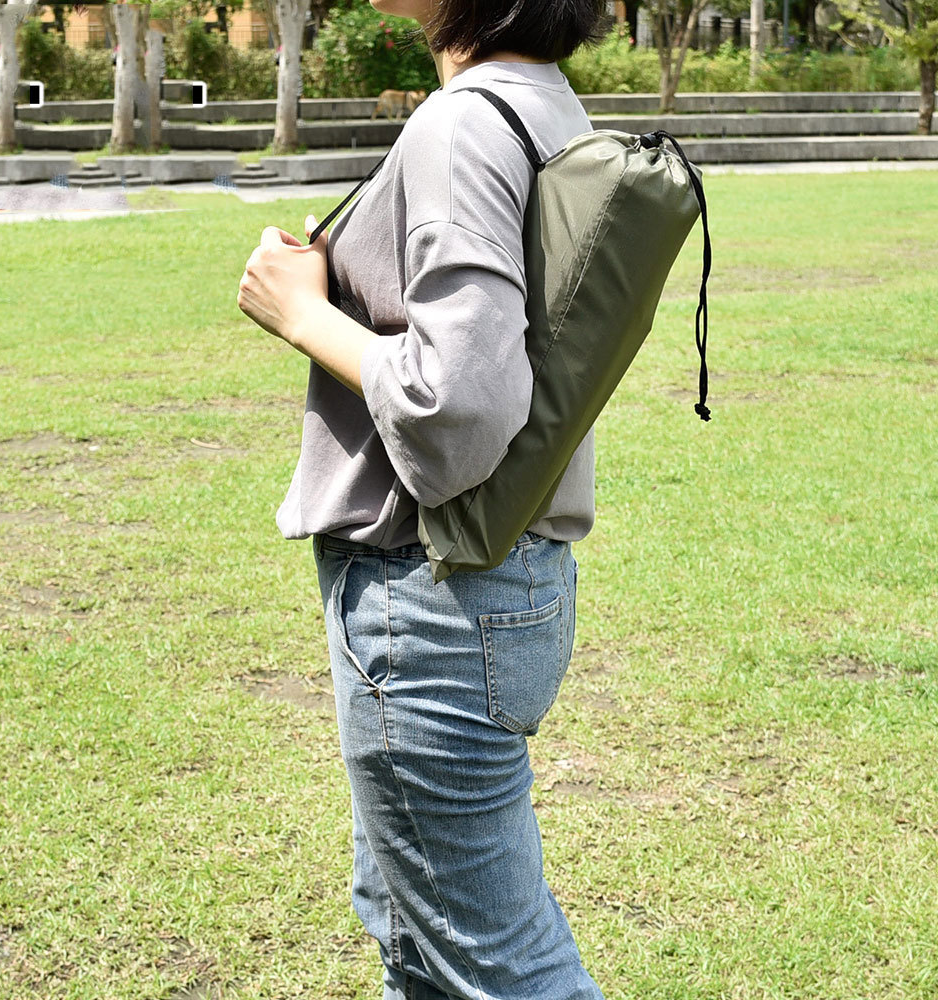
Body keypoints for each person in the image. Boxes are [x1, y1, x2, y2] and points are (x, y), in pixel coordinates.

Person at [236, 1, 606, 996]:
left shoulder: (460, 125)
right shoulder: (540, 100)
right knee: (417, 931)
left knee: (499, 965)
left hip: (431, 594)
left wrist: (301, 312)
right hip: (504, 575)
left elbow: (463, 404)